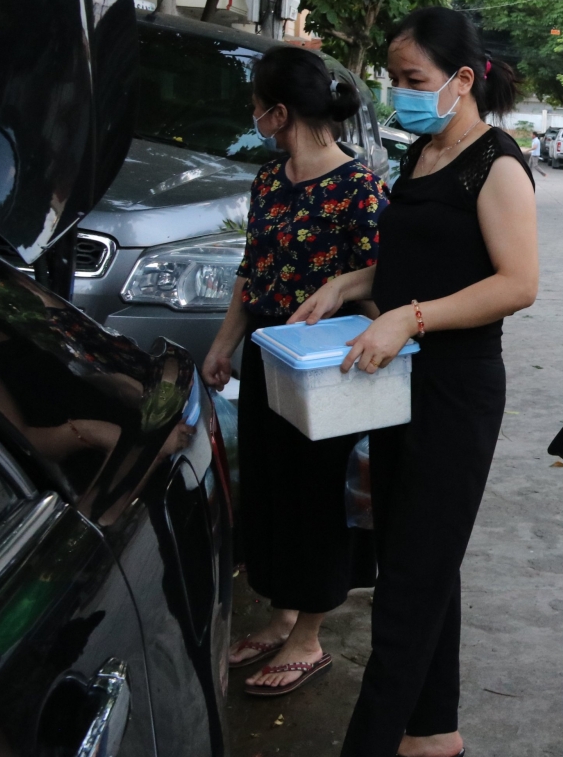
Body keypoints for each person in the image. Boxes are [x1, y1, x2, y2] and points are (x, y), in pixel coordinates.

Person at [289, 7, 539, 757]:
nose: (400, 92)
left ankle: (370, 742)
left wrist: (412, 317)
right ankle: (434, 731)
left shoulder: (497, 163)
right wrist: (348, 283)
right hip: (398, 381)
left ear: (463, 80)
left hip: (456, 391)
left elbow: (518, 283)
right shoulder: (424, 154)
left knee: (408, 585)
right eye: (395, 79)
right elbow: (416, 257)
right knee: (417, 559)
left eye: (414, 79)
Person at [201, 47, 387, 697]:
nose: (254, 115)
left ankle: (309, 634)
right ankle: (281, 614)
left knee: (317, 501)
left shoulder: (358, 185)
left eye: (257, 104)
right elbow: (250, 275)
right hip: (268, 362)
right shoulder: (268, 180)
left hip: (330, 372)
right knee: (272, 492)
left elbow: (378, 285)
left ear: (279, 112)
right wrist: (225, 343)